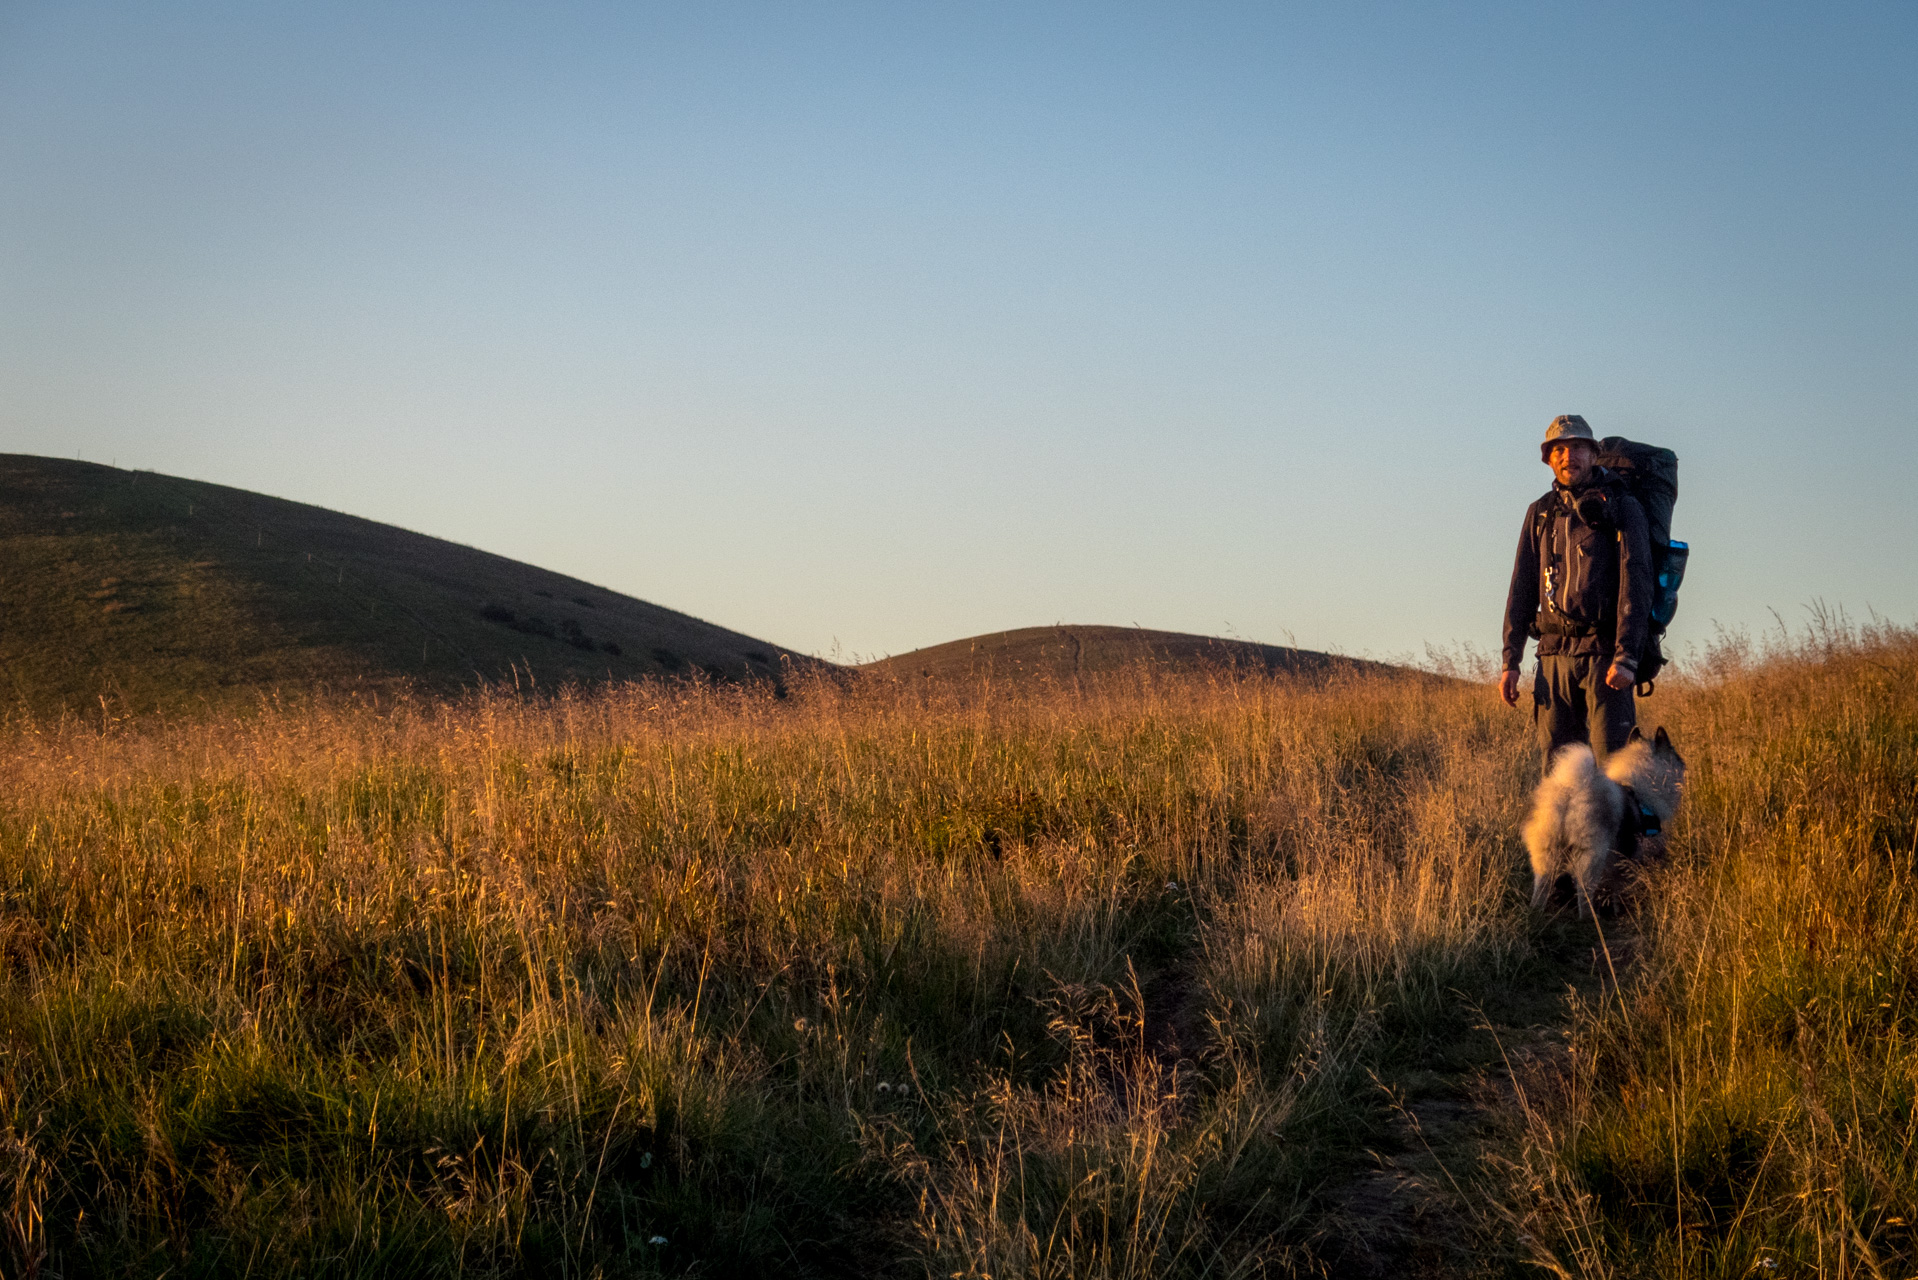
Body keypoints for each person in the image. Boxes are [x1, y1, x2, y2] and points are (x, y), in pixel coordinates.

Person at [1499, 415, 1653, 768]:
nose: (1569, 456)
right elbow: (1521, 588)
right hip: (1553, 657)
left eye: (1578, 447)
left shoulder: (1622, 505)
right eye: (1560, 450)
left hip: (1605, 658)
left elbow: (1638, 579)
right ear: (1549, 460)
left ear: (1594, 454)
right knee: (1558, 774)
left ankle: (1618, 826)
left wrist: (1627, 656)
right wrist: (1511, 661)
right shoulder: (1539, 513)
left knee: (1613, 771)